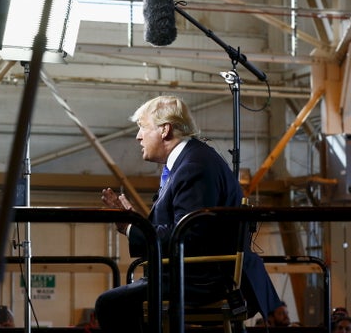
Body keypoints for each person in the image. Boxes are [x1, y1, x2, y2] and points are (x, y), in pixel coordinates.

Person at [94, 95, 283, 333]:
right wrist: (136, 222)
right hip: (198, 274)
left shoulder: (194, 166)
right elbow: (184, 228)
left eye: (142, 127)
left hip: (203, 281)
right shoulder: (191, 160)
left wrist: (132, 227)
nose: (138, 136)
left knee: (109, 305)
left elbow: (188, 236)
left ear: (164, 130)